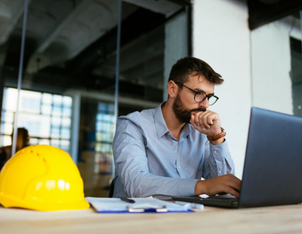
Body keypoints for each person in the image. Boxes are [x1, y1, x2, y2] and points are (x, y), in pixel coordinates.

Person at [112, 56, 241, 198]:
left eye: (209, 97)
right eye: (198, 94)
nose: (205, 105)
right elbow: (136, 185)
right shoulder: (132, 126)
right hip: (137, 217)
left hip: (185, 216)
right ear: (172, 89)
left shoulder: (200, 132)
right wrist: (203, 186)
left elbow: (226, 190)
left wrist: (215, 137)